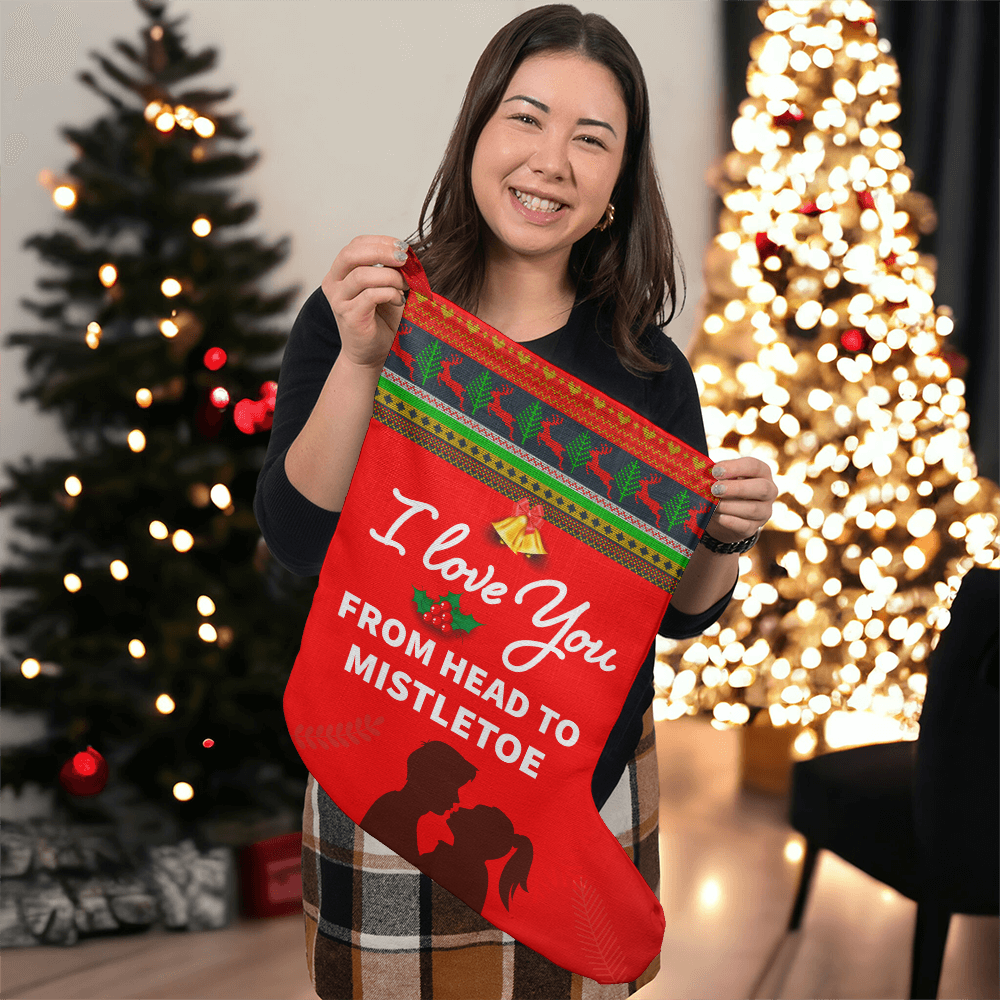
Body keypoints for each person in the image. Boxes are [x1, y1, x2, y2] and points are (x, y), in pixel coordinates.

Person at [254, 5, 777, 997]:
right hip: (385, 760)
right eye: (527, 119)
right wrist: (363, 360)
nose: (551, 160)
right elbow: (296, 535)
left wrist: (721, 534)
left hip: (577, 786)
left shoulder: (642, 370)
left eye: (592, 139)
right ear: (477, 134)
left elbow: (681, 613)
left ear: (619, 184)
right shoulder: (371, 306)